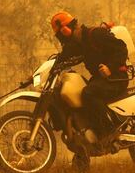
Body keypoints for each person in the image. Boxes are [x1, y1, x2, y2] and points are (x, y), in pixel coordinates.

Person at [50, 11, 129, 140]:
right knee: (80, 92)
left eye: (62, 34)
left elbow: (122, 48)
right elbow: (61, 58)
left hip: (117, 77)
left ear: (68, 28)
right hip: (103, 80)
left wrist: (110, 67)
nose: (63, 39)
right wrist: (37, 74)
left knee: (88, 93)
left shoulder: (96, 34)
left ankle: (108, 131)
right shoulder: (79, 44)